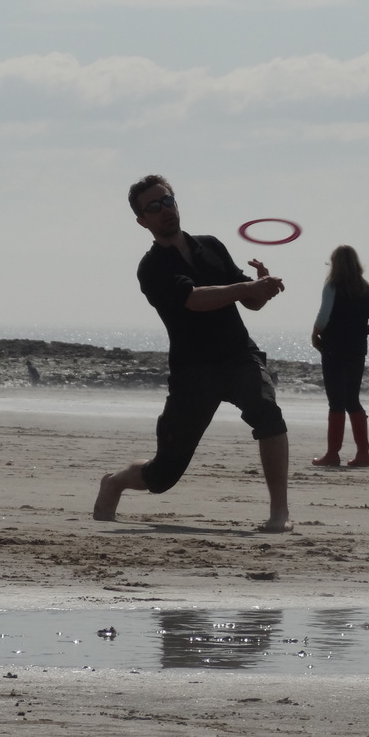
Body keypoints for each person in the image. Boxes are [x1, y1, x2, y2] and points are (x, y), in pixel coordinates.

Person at [93, 175, 292, 533]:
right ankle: (116, 480)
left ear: (176, 202)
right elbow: (195, 300)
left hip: (238, 355)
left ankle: (280, 514)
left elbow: (250, 303)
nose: (163, 210)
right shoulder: (152, 266)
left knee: (268, 413)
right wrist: (248, 286)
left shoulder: (211, 246)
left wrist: (261, 288)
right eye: (152, 207)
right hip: (193, 371)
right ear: (142, 221)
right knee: (164, 474)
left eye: (167, 201)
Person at [309, 245, 369, 468]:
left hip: (334, 348)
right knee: (352, 400)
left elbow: (324, 316)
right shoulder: (364, 289)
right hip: (357, 349)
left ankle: (333, 454)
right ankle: (363, 454)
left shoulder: (332, 286)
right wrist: (360, 332)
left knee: (336, 402)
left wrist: (315, 334)